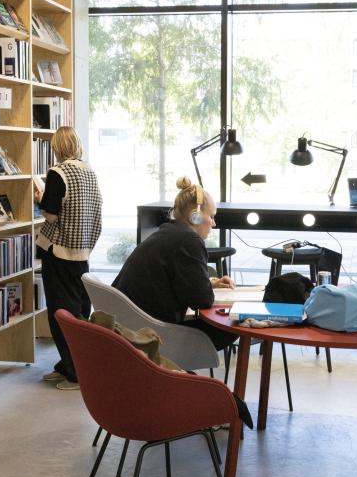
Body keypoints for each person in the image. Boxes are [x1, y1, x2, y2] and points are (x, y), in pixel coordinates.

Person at [112, 176, 238, 351]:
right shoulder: (189, 240)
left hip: (129, 327)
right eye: (212, 216)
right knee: (236, 324)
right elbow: (202, 300)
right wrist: (205, 289)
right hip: (153, 336)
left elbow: (168, 281)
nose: (214, 223)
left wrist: (210, 283)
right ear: (196, 217)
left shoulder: (166, 232)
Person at [34, 127, 102, 390]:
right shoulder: (89, 171)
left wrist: (40, 197)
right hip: (82, 250)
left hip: (59, 251)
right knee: (79, 311)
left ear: (57, 147)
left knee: (60, 314)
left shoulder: (57, 172)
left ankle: (75, 373)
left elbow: (51, 215)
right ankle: (69, 366)